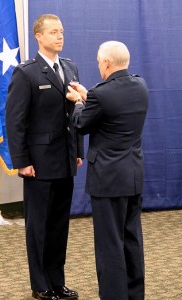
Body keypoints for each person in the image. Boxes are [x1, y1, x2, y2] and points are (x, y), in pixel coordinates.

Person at [6, 14, 84, 300]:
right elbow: (15, 122)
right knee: (38, 227)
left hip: (65, 160)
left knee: (59, 225)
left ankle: (57, 280)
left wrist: (77, 151)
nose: (60, 36)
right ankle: (40, 285)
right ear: (38, 36)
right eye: (54, 32)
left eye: (61, 31)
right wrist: (22, 161)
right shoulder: (26, 72)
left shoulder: (71, 67)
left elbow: (75, 115)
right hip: (37, 164)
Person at [66, 41, 149, 300]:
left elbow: (81, 124)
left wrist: (78, 102)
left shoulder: (102, 94)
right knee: (132, 238)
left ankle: (114, 295)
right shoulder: (140, 85)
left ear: (106, 63)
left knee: (109, 243)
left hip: (108, 180)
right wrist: (89, 95)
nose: (98, 66)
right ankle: (135, 294)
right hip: (133, 175)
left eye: (99, 62)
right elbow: (114, 103)